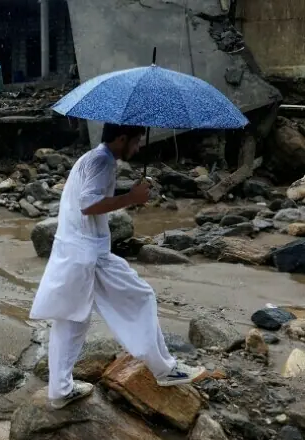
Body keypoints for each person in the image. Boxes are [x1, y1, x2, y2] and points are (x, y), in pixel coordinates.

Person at [30, 123, 205, 410]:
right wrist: (130, 199)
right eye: (136, 142)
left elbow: (88, 198)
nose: (137, 148)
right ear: (122, 138)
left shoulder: (91, 158)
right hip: (91, 256)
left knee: (71, 321)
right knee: (141, 297)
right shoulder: (102, 161)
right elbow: (88, 204)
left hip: (74, 251)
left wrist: (127, 193)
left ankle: (60, 389)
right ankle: (164, 370)